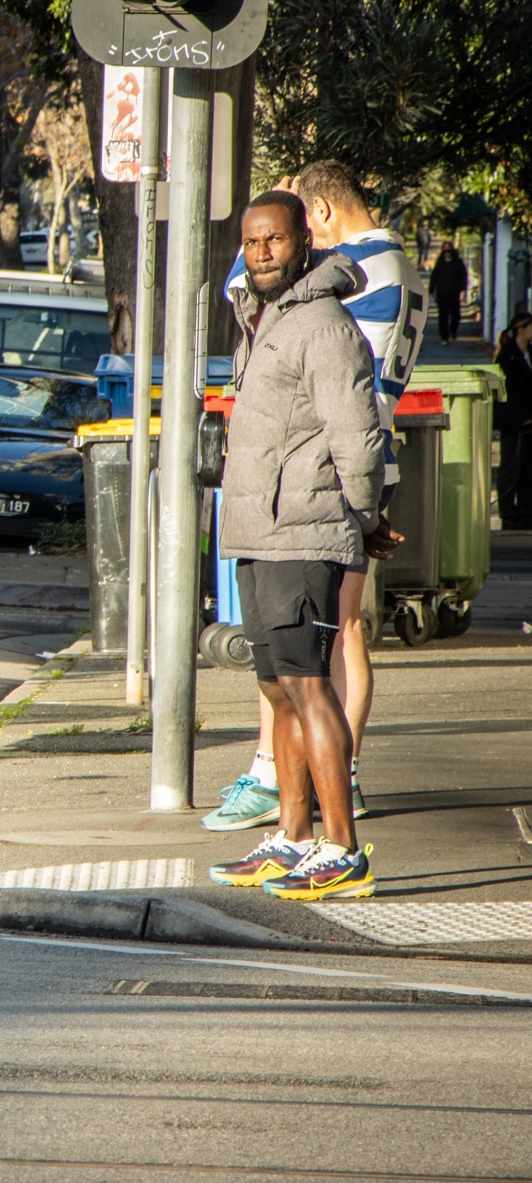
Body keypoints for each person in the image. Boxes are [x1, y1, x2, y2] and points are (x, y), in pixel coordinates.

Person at [205, 161, 420, 833]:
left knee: (313, 674)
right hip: (271, 522)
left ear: (310, 233)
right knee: (289, 677)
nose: (259, 254)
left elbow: (354, 430)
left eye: (275, 237)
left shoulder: (332, 310)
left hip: (314, 514)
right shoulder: (281, 315)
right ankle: (295, 835)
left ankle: (336, 839)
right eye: (250, 241)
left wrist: (358, 518)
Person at [495, 310, 532, 529]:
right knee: (510, 466)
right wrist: (522, 418)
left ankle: (526, 510)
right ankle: (508, 511)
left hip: (528, 421)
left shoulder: (528, 354)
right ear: (522, 329)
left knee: (527, 469)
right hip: (514, 422)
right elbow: (510, 393)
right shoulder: (508, 356)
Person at [430, 241, 468, 344]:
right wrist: (431, 291)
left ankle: (453, 332)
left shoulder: (458, 263)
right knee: (443, 316)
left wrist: (463, 290)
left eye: (449, 251)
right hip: (442, 293)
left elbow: (463, 277)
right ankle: (444, 337)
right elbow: (434, 277)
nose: (447, 253)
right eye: (445, 251)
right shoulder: (440, 263)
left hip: (454, 293)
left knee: (456, 315)